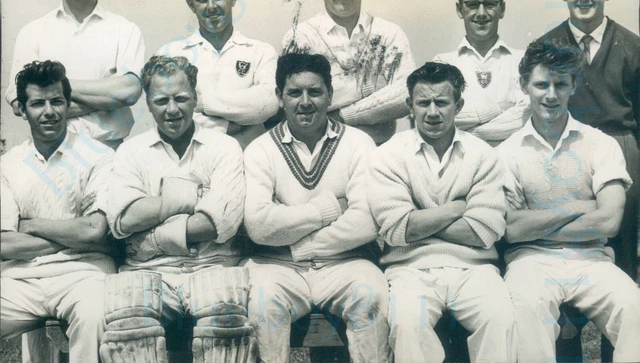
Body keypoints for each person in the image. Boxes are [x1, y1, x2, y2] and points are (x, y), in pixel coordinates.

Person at [102, 55, 255, 362]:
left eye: (181, 98)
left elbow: (217, 224)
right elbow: (124, 219)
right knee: (129, 334)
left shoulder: (223, 146)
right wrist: (192, 197)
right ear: (147, 102)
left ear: (195, 97)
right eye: (161, 100)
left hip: (214, 265)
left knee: (226, 333)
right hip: (147, 269)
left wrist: (151, 237)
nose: (172, 109)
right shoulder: (131, 151)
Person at [242, 53, 391, 363]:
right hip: (276, 266)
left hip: (344, 262)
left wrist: (296, 241)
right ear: (279, 97)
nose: (305, 101)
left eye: (315, 91)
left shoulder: (358, 143)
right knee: (262, 302)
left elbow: (366, 221)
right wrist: (327, 209)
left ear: (330, 95)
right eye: (295, 92)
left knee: (371, 296)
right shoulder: (260, 149)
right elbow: (258, 224)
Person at [498, 42, 640, 363]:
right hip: (530, 262)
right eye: (541, 84)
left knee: (633, 306)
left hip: (593, 259)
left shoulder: (599, 144)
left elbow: (608, 222)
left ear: (573, 85)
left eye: (561, 84)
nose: (551, 94)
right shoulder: (506, 153)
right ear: (524, 86)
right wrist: (579, 207)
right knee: (526, 308)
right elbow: (513, 230)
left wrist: (538, 222)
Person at [368, 62, 516, 363]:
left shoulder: (482, 155)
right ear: (410, 105)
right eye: (423, 103)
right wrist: (458, 208)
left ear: (458, 105)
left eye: (442, 102)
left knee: (500, 320)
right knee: (407, 324)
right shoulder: (388, 155)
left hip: (474, 268)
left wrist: (419, 217)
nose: (432, 112)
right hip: (411, 269)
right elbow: (397, 231)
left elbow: (484, 231)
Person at [1, 60, 116, 363]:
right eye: (38, 103)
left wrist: (33, 225)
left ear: (68, 104)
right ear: (23, 110)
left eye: (57, 101)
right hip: (21, 277)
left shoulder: (99, 155)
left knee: (93, 316)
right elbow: (4, 244)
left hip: (85, 272)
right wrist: (74, 233)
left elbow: (95, 230)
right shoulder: (8, 164)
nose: (49, 111)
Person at [535, 0, 639, 282]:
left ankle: (616, 332)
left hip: (620, 148)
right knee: (566, 239)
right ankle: (568, 332)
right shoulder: (545, 46)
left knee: (621, 240)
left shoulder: (631, 46)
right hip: (565, 148)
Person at [4, 0, 145, 150]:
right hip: (49, 152)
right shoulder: (32, 32)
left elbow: (128, 91)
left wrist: (52, 93)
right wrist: (107, 101)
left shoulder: (124, 30)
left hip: (109, 151)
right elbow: (19, 101)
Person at [282, 0, 416, 145]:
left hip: (379, 150)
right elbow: (296, 102)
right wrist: (377, 95)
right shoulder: (300, 36)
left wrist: (342, 115)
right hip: (321, 149)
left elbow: (408, 92)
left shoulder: (388, 33)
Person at [156, 0, 279, 149]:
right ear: (191, 4)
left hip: (248, 160)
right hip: (192, 161)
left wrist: (202, 102)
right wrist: (231, 124)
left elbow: (267, 103)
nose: (211, 6)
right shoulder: (171, 54)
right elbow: (170, 115)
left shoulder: (260, 51)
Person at [434, 0, 529, 146]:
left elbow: (527, 116)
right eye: (472, 5)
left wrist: (465, 131)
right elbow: (437, 117)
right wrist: (501, 108)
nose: (481, 13)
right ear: (459, 9)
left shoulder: (522, 61)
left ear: (502, 9)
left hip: (510, 164)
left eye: (490, 4)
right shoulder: (442, 63)